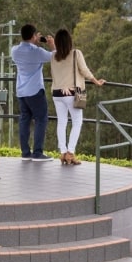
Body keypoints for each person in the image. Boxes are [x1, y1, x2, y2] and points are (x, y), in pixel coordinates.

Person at [49, 28, 105, 165]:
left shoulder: (53, 56)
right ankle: (70, 153)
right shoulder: (76, 53)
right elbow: (84, 70)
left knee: (61, 122)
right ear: (69, 41)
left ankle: (62, 152)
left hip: (57, 93)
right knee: (77, 122)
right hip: (73, 93)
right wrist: (96, 81)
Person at [10, 24, 55, 162]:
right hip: (35, 90)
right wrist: (52, 44)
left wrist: (34, 41)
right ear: (34, 36)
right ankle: (37, 153)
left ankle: (25, 152)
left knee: (24, 120)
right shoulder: (37, 51)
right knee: (41, 119)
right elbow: (54, 56)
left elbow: (25, 48)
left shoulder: (14, 51)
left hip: (21, 91)